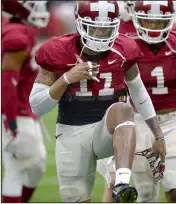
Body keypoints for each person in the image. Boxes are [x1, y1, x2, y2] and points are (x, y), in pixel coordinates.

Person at [29, 0, 166, 202]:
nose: (100, 34)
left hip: (107, 132)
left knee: (122, 109)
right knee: (76, 197)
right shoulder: (58, 50)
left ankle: (122, 183)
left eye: (106, 28)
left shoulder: (125, 49)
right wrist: (66, 78)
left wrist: (159, 136)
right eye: (94, 27)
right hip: (71, 131)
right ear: (79, 23)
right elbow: (37, 106)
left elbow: (139, 93)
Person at [98, 0, 176, 202]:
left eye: (159, 21)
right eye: (149, 20)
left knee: (175, 184)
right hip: (137, 121)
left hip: (171, 120)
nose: (153, 26)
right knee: (146, 192)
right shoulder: (124, 42)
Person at [2, 1, 50, 202]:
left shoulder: (20, 30)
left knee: (35, 165)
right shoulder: (16, 36)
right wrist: (10, 121)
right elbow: (6, 82)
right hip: (14, 111)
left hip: (22, 108)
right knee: (19, 166)